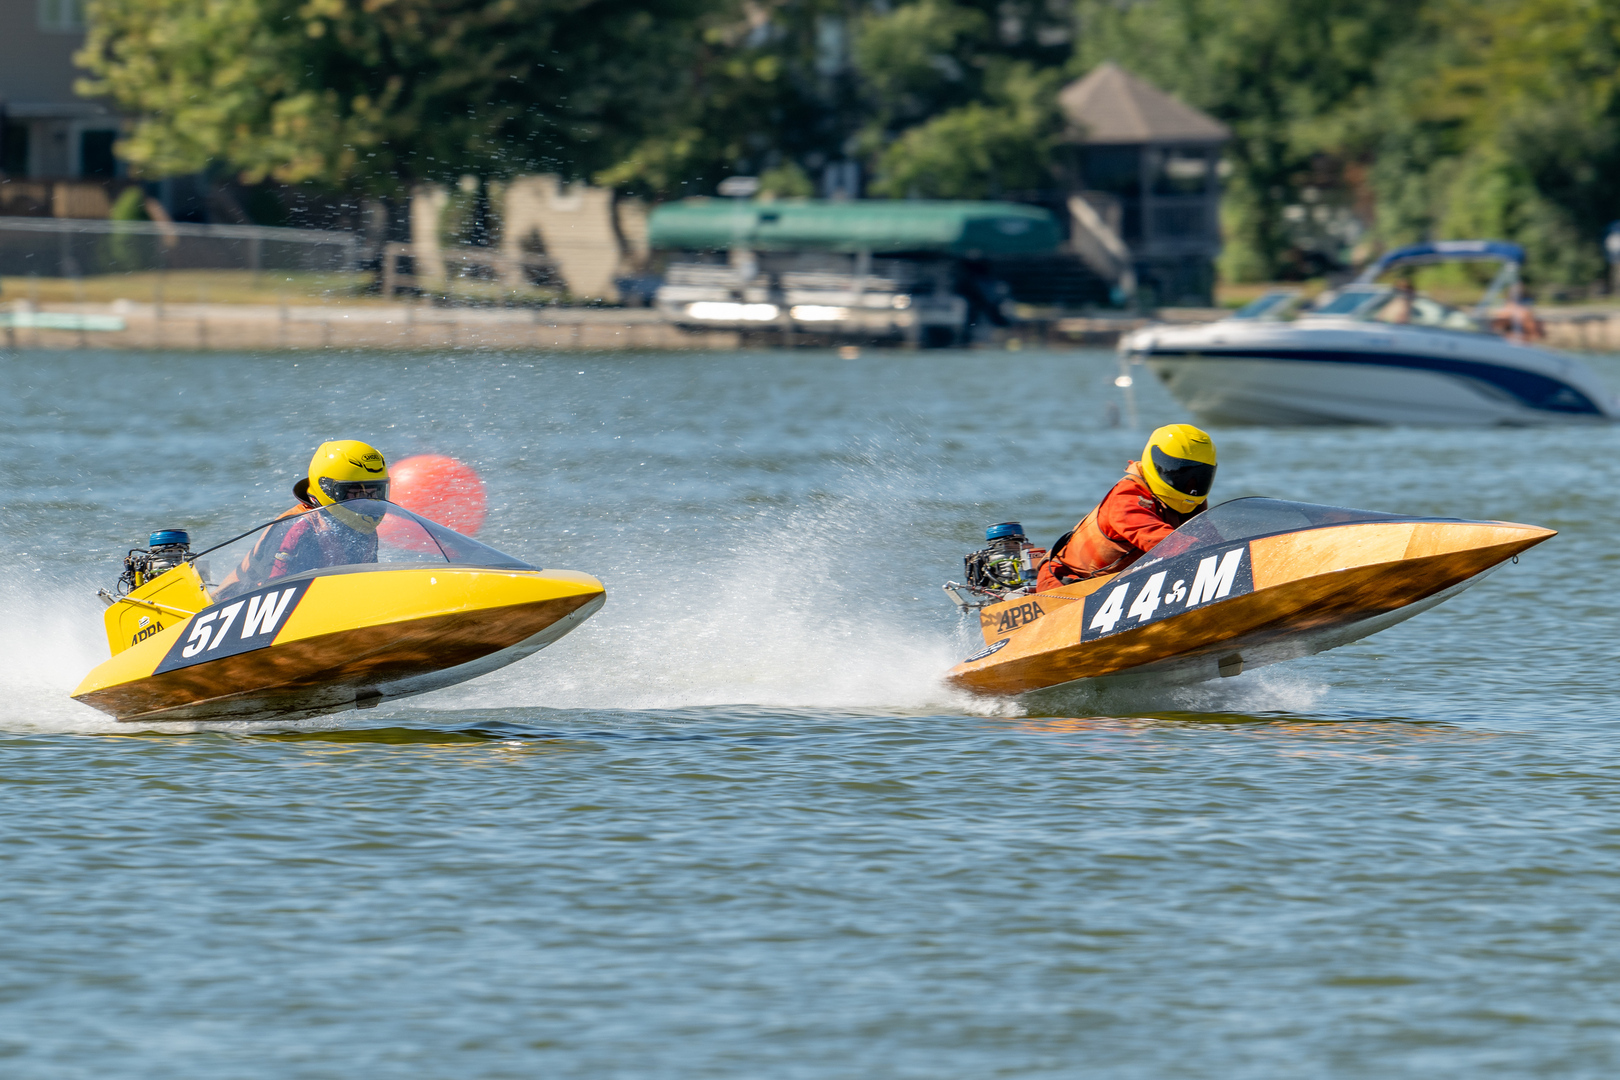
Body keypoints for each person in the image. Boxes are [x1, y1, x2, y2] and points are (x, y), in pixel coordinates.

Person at [1035, 424, 1217, 592]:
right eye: (1181, 473)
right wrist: (1213, 554)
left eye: (1199, 477)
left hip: (1118, 586)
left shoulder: (1191, 501)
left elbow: (1210, 539)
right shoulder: (1125, 497)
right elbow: (1159, 540)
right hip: (1066, 586)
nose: (1190, 485)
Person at [215, 440, 390, 598]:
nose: (367, 504)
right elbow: (271, 596)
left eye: (374, 493)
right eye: (357, 494)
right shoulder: (297, 527)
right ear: (328, 489)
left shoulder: (363, 529)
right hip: (239, 610)